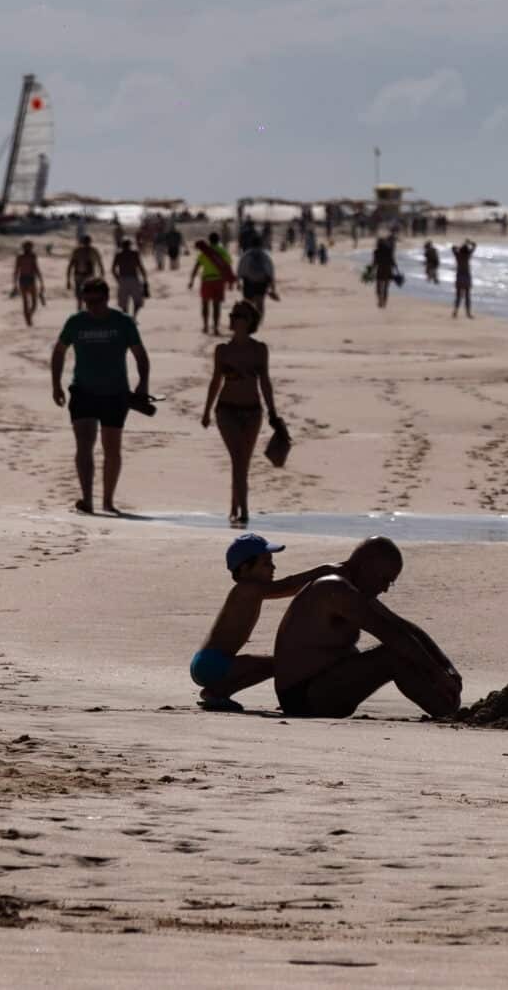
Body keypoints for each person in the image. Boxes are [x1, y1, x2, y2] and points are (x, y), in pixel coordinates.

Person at [272, 536, 462, 719]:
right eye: (385, 579)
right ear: (365, 567)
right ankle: (448, 712)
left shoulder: (355, 586)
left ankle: (448, 705)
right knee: (392, 655)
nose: (386, 588)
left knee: (407, 649)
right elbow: (390, 635)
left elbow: (403, 627)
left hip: (324, 686)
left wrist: (448, 668)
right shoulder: (334, 588)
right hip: (303, 697)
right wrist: (437, 674)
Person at [191, 534, 332, 710]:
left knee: (272, 666)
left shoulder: (250, 590)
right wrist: (323, 572)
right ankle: (289, 699)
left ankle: (218, 692)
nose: (273, 567)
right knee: (281, 663)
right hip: (213, 663)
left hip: (210, 662)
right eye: (266, 563)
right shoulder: (247, 589)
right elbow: (288, 586)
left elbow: (291, 588)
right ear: (244, 569)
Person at [50, 279, 151, 515]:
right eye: (88, 300)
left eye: (97, 300)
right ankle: (87, 498)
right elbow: (59, 352)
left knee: (111, 448)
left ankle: (108, 500)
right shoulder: (76, 322)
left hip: (115, 394)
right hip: (83, 391)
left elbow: (140, 355)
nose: (92, 305)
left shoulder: (123, 322)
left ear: (107, 298)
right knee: (84, 445)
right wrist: (56, 385)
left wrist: (143, 383)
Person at [201, 300, 278, 528]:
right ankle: (243, 510)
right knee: (237, 458)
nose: (233, 319)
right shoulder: (223, 351)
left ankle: (235, 505)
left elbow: (265, 382)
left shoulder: (259, 350)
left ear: (250, 321)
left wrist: (273, 412)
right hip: (227, 410)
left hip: (253, 411)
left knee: (243, 461)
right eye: (232, 315)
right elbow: (216, 381)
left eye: (239, 315)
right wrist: (206, 411)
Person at [188, 235, 233, 336]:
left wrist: (191, 280)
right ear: (218, 240)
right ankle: (216, 327)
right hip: (219, 281)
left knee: (205, 304)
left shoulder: (205, 252)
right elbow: (228, 266)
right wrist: (230, 281)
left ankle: (205, 326)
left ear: (209, 240)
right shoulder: (223, 251)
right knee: (217, 306)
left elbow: (196, 267)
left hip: (206, 281)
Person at [234, 239, 277, 323]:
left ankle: (249, 321)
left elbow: (240, 269)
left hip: (249, 282)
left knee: (248, 303)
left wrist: (238, 282)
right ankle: (259, 321)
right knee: (260, 303)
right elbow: (270, 272)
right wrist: (273, 288)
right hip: (261, 282)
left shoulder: (246, 255)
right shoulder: (265, 255)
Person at [111, 237, 148, 317]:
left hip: (123, 279)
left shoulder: (119, 255)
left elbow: (113, 269)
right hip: (133, 278)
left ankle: (127, 317)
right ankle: (133, 316)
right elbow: (140, 266)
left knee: (124, 302)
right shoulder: (134, 254)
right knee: (137, 301)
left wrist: (118, 279)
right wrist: (145, 278)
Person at [13, 239, 46, 326]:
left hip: (29, 279)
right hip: (24, 279)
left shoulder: (32, 256)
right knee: (26, 302)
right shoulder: (20, 257)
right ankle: (28, 320)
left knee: (34, 303)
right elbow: (16, 270)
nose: (29, 248)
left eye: (30, 247)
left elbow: (36, 268)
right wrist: (15, 284)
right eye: (28, 247)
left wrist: (41, 281)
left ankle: (28, 316)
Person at [65, 235, 102, 299]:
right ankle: (80, 308)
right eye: (85, 242)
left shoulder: (93, 251)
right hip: (79, 275)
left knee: (88, 295)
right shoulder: (77, 251)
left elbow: (99, 263)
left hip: (89, 276)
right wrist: (68, 280)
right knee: (79, 296)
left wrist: (101, 276)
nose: (86, 243)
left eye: (87, 242)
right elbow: (71, 265)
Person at [451, 238, 477, 319]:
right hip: (466, 277)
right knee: (467, 296)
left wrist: (462, 244)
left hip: (459, 276)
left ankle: (455, 311)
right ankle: (468, 313)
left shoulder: (458, 256)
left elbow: (453, 248)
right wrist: (468, 242)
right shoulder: (467, 256)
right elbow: (475, 245)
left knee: (458, 296)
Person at [371, 235, 397, 308]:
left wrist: (371, 271)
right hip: (388, 270)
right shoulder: (389, 251)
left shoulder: (376, 252)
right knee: (386, 288)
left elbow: (374, 263)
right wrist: (396, 270)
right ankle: (384, 302)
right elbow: (393, 262)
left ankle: (380, 300)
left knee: (378, 287)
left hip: (380, 270)